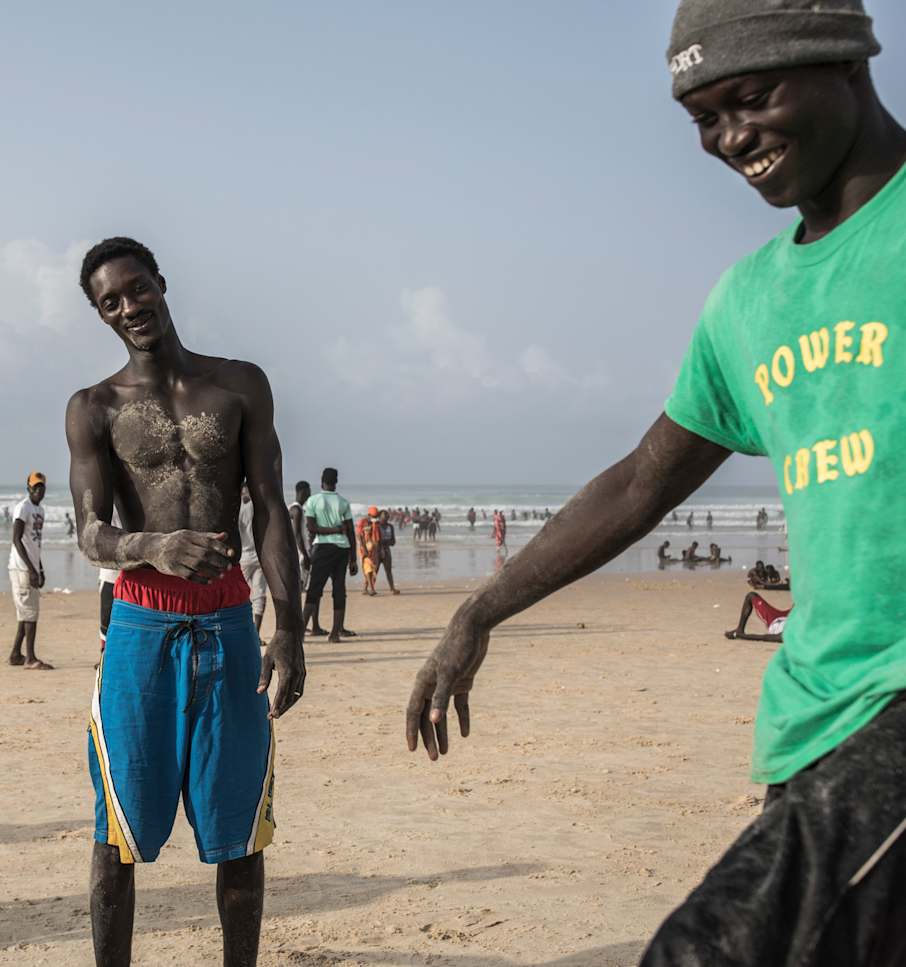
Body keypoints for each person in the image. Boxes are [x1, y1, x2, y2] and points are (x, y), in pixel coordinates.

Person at [407, 4, 906, 962]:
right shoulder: (749, 301)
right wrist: (479, 610)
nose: (730, 139)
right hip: (807, 733)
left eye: (751, 98)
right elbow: (641, 482)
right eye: (704, 118)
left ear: (843, 59)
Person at [67, 236, 305, 967]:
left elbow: (269, 509)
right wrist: (154, 546)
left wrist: (289, 630)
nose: (129, 307)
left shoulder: (239, 386)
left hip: (229, 626)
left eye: (136, 288)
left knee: (240, 834)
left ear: (160, 283)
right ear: (101, 314)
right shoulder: (94, 407)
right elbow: (88, 531)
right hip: (140, 630)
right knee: (118, 836)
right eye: (111, 300)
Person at [303, 468, 358, 641]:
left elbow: (311, 528)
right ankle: (335, 633)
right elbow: (351, 532)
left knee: (314, 589)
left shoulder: (313, 501)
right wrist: (353, 559)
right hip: (342, 548)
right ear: (336, 482)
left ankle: (301, 632)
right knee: (339, 589)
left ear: (322, 481)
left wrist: (329, 531)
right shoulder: (343, 503)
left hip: (323, 547)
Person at [7, 472, 52, 670]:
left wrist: (40, 569)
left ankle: (16, 654)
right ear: (29, 488)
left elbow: (35, 544)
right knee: (31, 613)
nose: (39, 490)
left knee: (25, 613)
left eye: (41, 487)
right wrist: (32, 569)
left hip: (31, 567)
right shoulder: (23, 507)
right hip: (21, 568)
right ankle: (31, 658)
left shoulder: (40, 510)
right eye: (35, 487)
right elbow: (16, 539)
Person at [239, 485, 268, 635]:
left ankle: (244, 631)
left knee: (241, 595)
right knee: (259, 595)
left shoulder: (238, 508)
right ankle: (255, 634)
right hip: (259, 556)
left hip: (243, 557)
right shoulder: (259, 507)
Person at [725, 592, 791, 642]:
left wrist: (741, 636)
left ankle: (739, 630)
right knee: (752, 595)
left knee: (750, 596)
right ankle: (740, 628)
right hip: (789, 616)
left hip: (774, 621)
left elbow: (765, 637)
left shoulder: (793, 634)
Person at [358, 506, 381, 597]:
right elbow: (359, 536)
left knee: (373, 569)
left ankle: (365, 588)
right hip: (364, 548)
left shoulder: (376, 523)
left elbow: (378, 538)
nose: (374, 518)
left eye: (376, 516)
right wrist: (364, 550)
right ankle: (371, 589)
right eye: (373, 516)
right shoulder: (362, 522)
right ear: (369, 515)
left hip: (374, 549)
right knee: (368, 569)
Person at [378, 509, 400, 594]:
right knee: (374, 570)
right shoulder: (376, 526)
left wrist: (387, 542)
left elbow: (393, 541)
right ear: (379, 517)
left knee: (388, 571)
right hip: (378, 550)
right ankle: (369, 588)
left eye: (387, 516)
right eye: (384, 516)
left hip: (387, 550)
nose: (386, 517)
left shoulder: (390, 527)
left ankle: (392, 588)